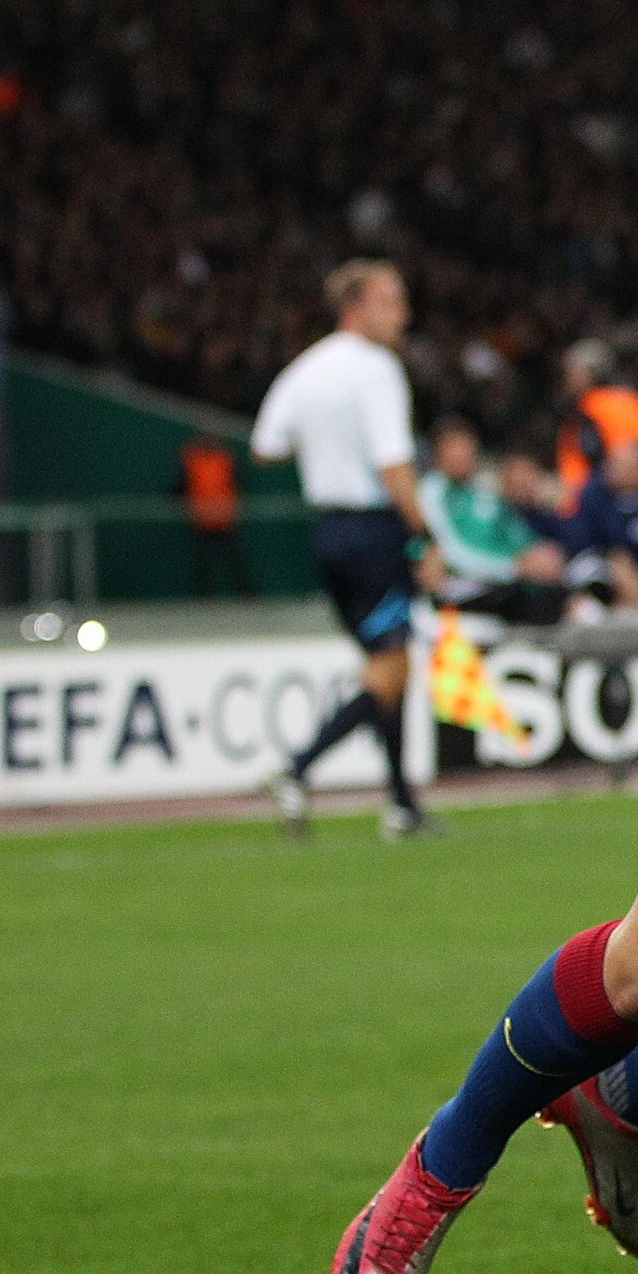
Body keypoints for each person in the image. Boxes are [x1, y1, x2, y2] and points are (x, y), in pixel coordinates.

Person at [247, 259, 436, 839]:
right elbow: (393, 463)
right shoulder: (376, 368)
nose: (403, 314)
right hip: (373, 530)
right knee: (390, 666)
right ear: (358, 306)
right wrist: (423, 536)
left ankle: (402, 803)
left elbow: (266, 445)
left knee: (389, 662)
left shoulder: (306, 369)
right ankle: (297, 769)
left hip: (328, 530)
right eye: (393, 301)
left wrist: (324, 443)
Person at [421, 418, 566, 618]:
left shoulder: (482, 490)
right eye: (455, 447)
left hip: (508, 585)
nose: (464, 454)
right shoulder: (432, 492)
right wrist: (513, 568)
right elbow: (450, 550)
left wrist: (538, 554)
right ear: (438, 454)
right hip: (468, 588)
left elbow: (516, 534)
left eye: (467, 446)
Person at [560, 438, 638, 609]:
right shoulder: (592, 496)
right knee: (620, 563)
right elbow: (585, 541)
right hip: (593, 567)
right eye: (614, 464)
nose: (616, 471)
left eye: (626, 466)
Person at [552, 338, 638, 511]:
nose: (567, 379)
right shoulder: (631, 399)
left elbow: (635, 456)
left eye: (571, 373)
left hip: (609, 495)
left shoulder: (593, 406)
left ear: (588, 373)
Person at [176, 435, 252, 597]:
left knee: (234, 562)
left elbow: (238, 485)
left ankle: (246, 595)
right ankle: (203, 597)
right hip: (201, 521)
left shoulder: (225, 458)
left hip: (225, 520)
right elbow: (178, 486)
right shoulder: (192, 458)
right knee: (202, 565)